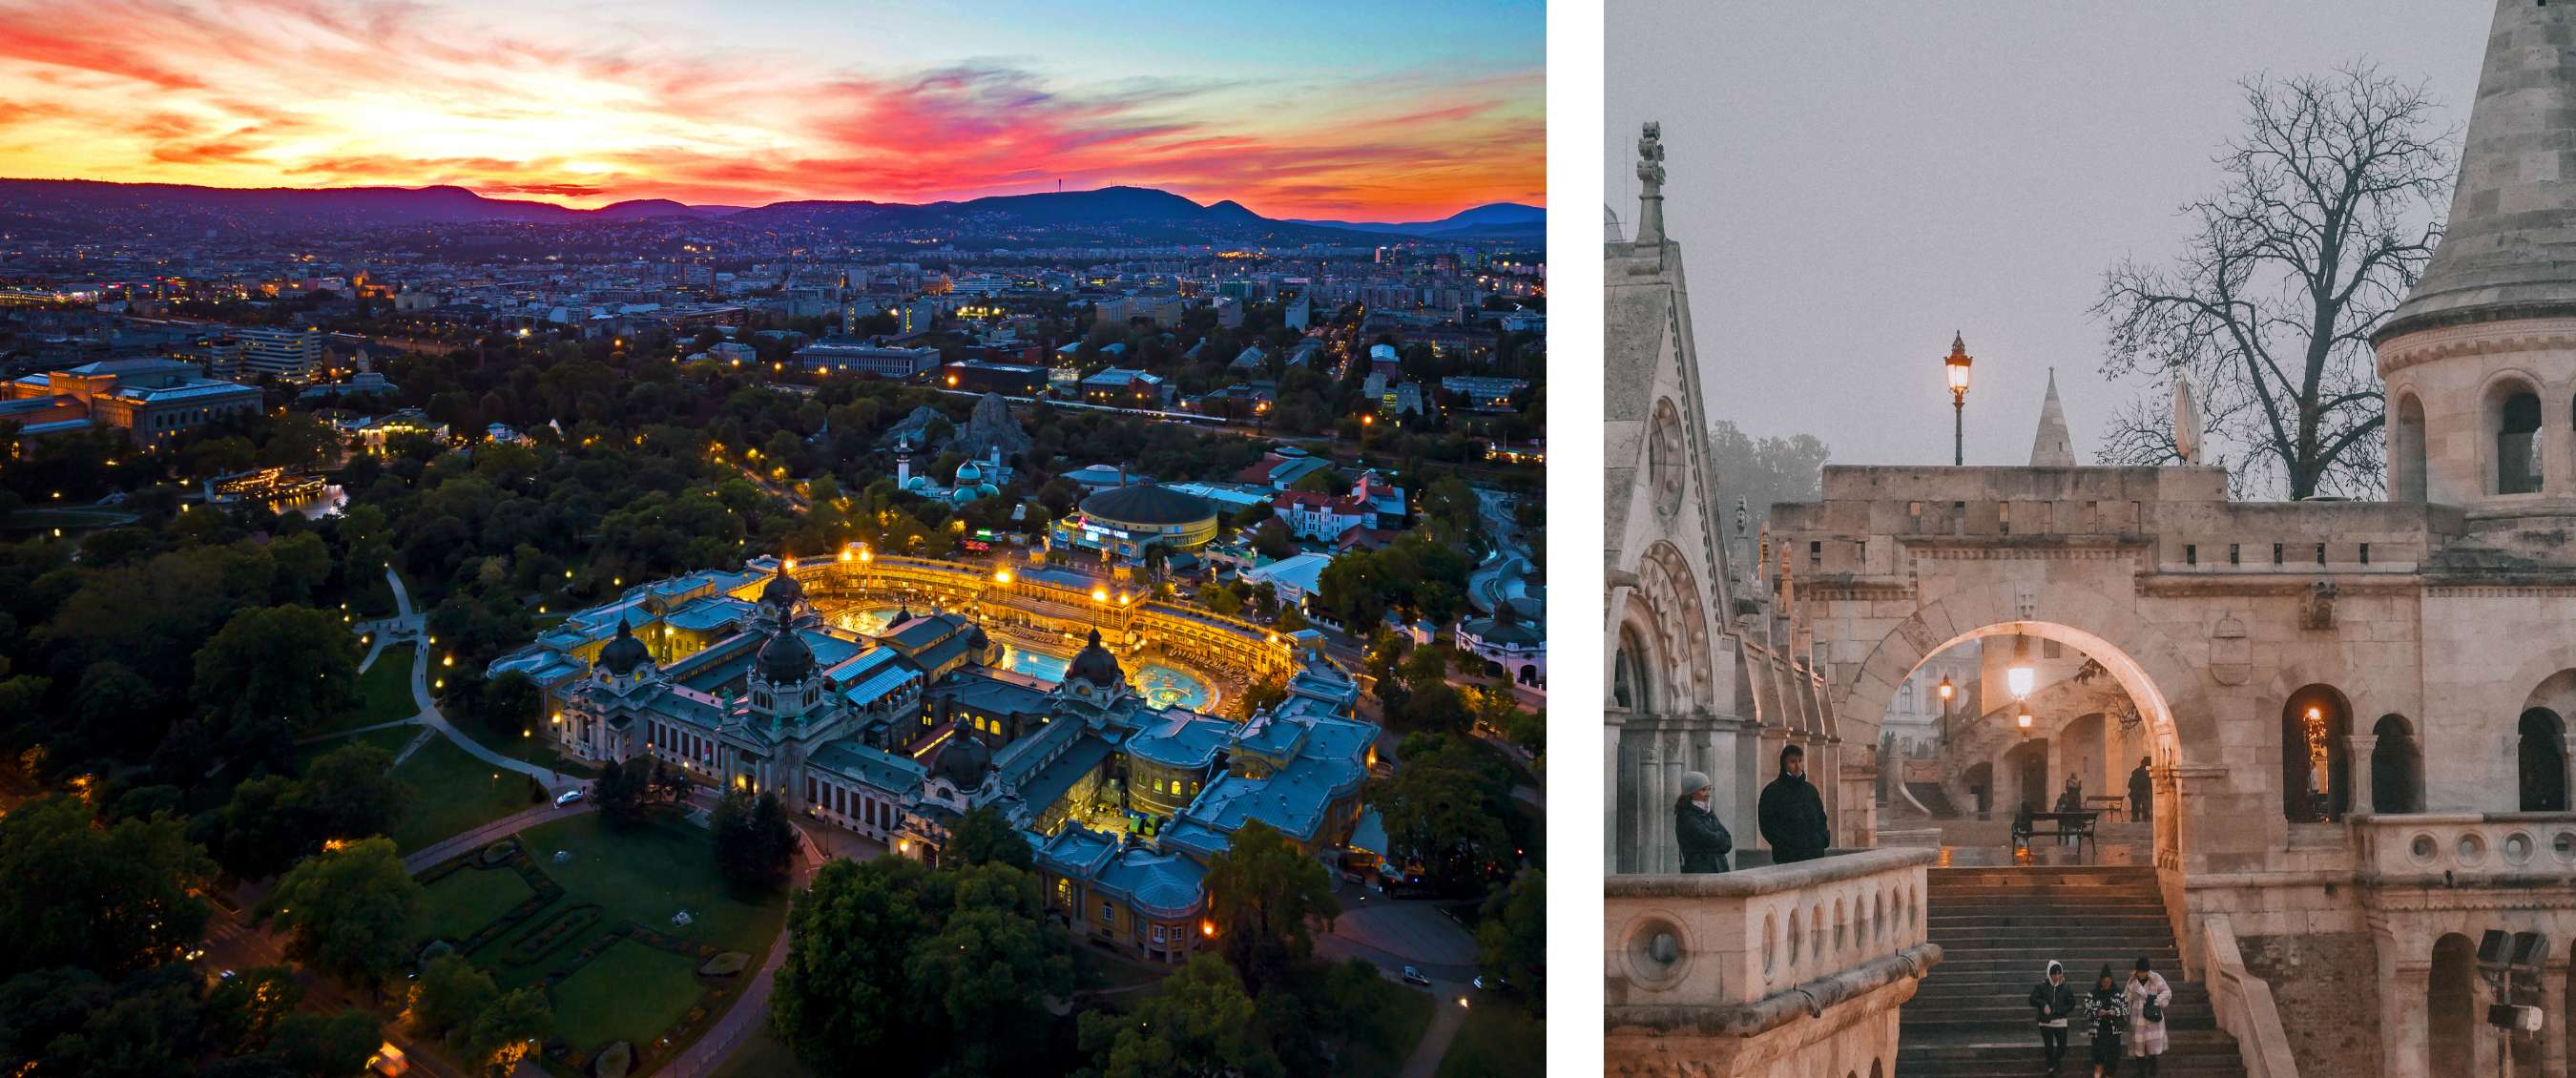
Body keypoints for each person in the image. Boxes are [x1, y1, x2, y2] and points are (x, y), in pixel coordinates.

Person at [1758, 743, 1831, 862]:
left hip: (1815, 856)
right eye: (1792, 762)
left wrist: (1822, 839)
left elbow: (1821, 818)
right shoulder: (1772, 792)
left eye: (1800, 761)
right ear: (1784, 764)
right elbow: (1767, 826)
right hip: (1787, 858)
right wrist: (1788, 844)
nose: (1797, 766)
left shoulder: (1810, 790)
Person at [1675, 770, 1732, 873]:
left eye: (1709, 789)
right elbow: (1707, 838)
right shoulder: (1686, 816)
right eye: (1703, 790)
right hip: (1700, 873)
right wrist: (1718, 839)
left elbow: (1728, 841)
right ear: (1691, 793)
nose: (1707, 794)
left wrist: (1714, 843)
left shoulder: (1709, 812)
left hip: (1720, 872)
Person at [2026, 960, 2076, 1076]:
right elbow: (2032, 999)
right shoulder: (2041, 986)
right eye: (2054, 974)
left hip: (2060, 1021)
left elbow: (2072, 1003)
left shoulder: (2066, 988)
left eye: (2059, 974)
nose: (2057, 977)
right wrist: (2043, 1004)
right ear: (2049, 973)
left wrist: (2061, 1011)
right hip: (2046, 1022)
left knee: (2062, 1047)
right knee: (2049, 1047)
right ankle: (2051, 1069)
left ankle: (2055, 1063)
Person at [2125, 956, 2172, 1075]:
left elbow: (2167, 992)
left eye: (2143, 971)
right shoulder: (2132, 981)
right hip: (2137, 1017)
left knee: (2153, 1049)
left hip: (2153, 1016)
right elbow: (2126, 998)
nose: (2141, 974)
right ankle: (2141, 1072)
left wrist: (2156, 1000)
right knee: (2139, 1048)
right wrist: (2125, 1011)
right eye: (2140, 971)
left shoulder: (2156, 978)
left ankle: (2153, 1073)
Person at [2083, 964, 2128, 1077]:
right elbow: (2086, 1009)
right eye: (2104, 981)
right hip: (2099, 1032)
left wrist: (2115, 1011)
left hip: (2114, 1032)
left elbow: (2126, 1008)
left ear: (2111, 981)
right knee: (2098, 1060)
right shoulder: (2093, 994)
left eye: (2108, 981)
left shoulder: (2118, 993)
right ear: (2100, 981)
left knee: (2113, 1060)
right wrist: (2097, 1011)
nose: (2106, 984)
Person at [2129, 757, 2153, 824]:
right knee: (2140, 806)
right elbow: (2132, 783)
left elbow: (2130, 784)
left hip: (2139, 792)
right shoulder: (2141, 772)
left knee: (2141, 806)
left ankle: (2141, 817)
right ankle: (2142, 817)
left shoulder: (2136, 771)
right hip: (2139, 792)